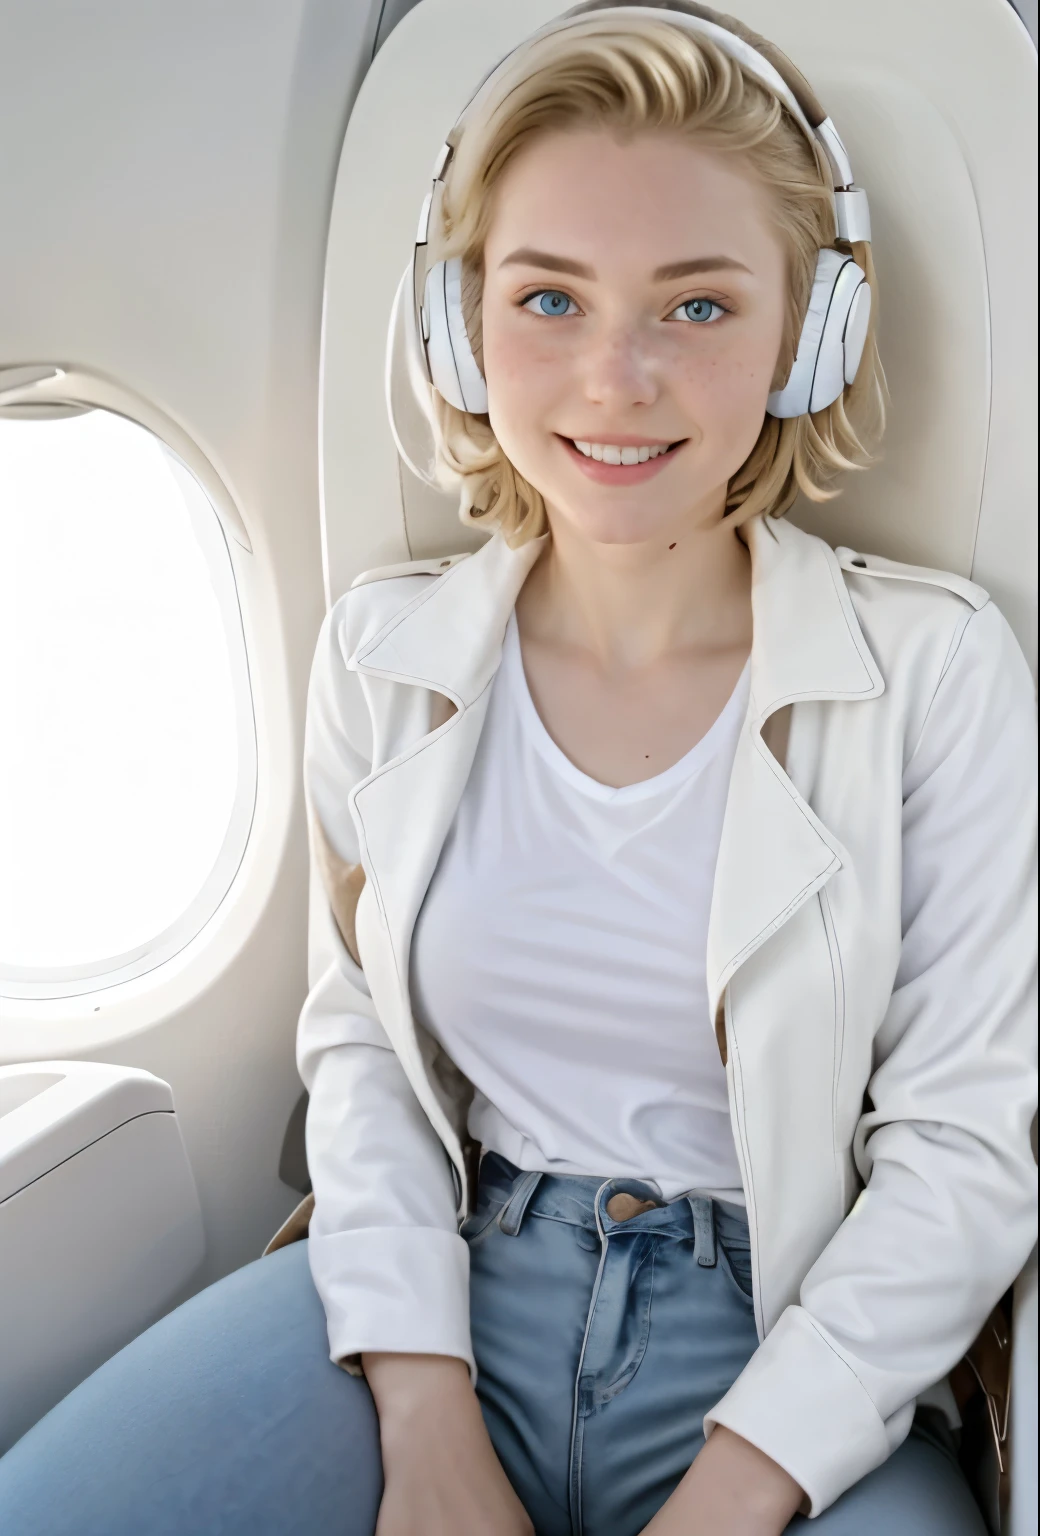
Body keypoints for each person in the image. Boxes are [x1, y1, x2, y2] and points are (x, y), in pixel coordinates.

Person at [0, 5, 1035, 1535]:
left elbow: (963, 1150)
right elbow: (357, 1053)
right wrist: (422, 1414)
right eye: (549, 298)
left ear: (808, 340)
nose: (615, 377)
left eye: (697, 309)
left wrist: (740, 1488)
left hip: (795, 1339)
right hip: (441, 1285)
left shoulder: (934, 671)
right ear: (456, 328)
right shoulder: (383, 658)